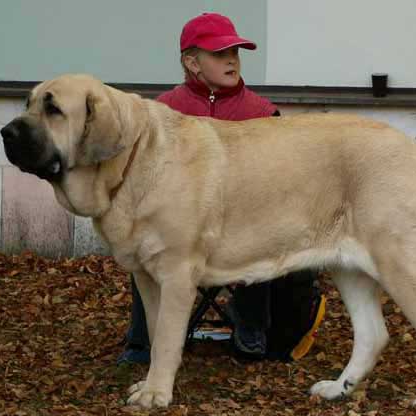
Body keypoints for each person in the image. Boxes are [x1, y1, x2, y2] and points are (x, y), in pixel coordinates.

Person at [117, 12, 319, 364]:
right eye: (220, 54)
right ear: (192, 63)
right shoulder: (161, 112)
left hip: (243, 223)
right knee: (146, 241)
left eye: (236, 53)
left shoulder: (262, 113)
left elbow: (279, 183)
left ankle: (251, 331)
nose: (232, 60)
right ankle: (143, 342)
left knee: (258, 233)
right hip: (176, 230)